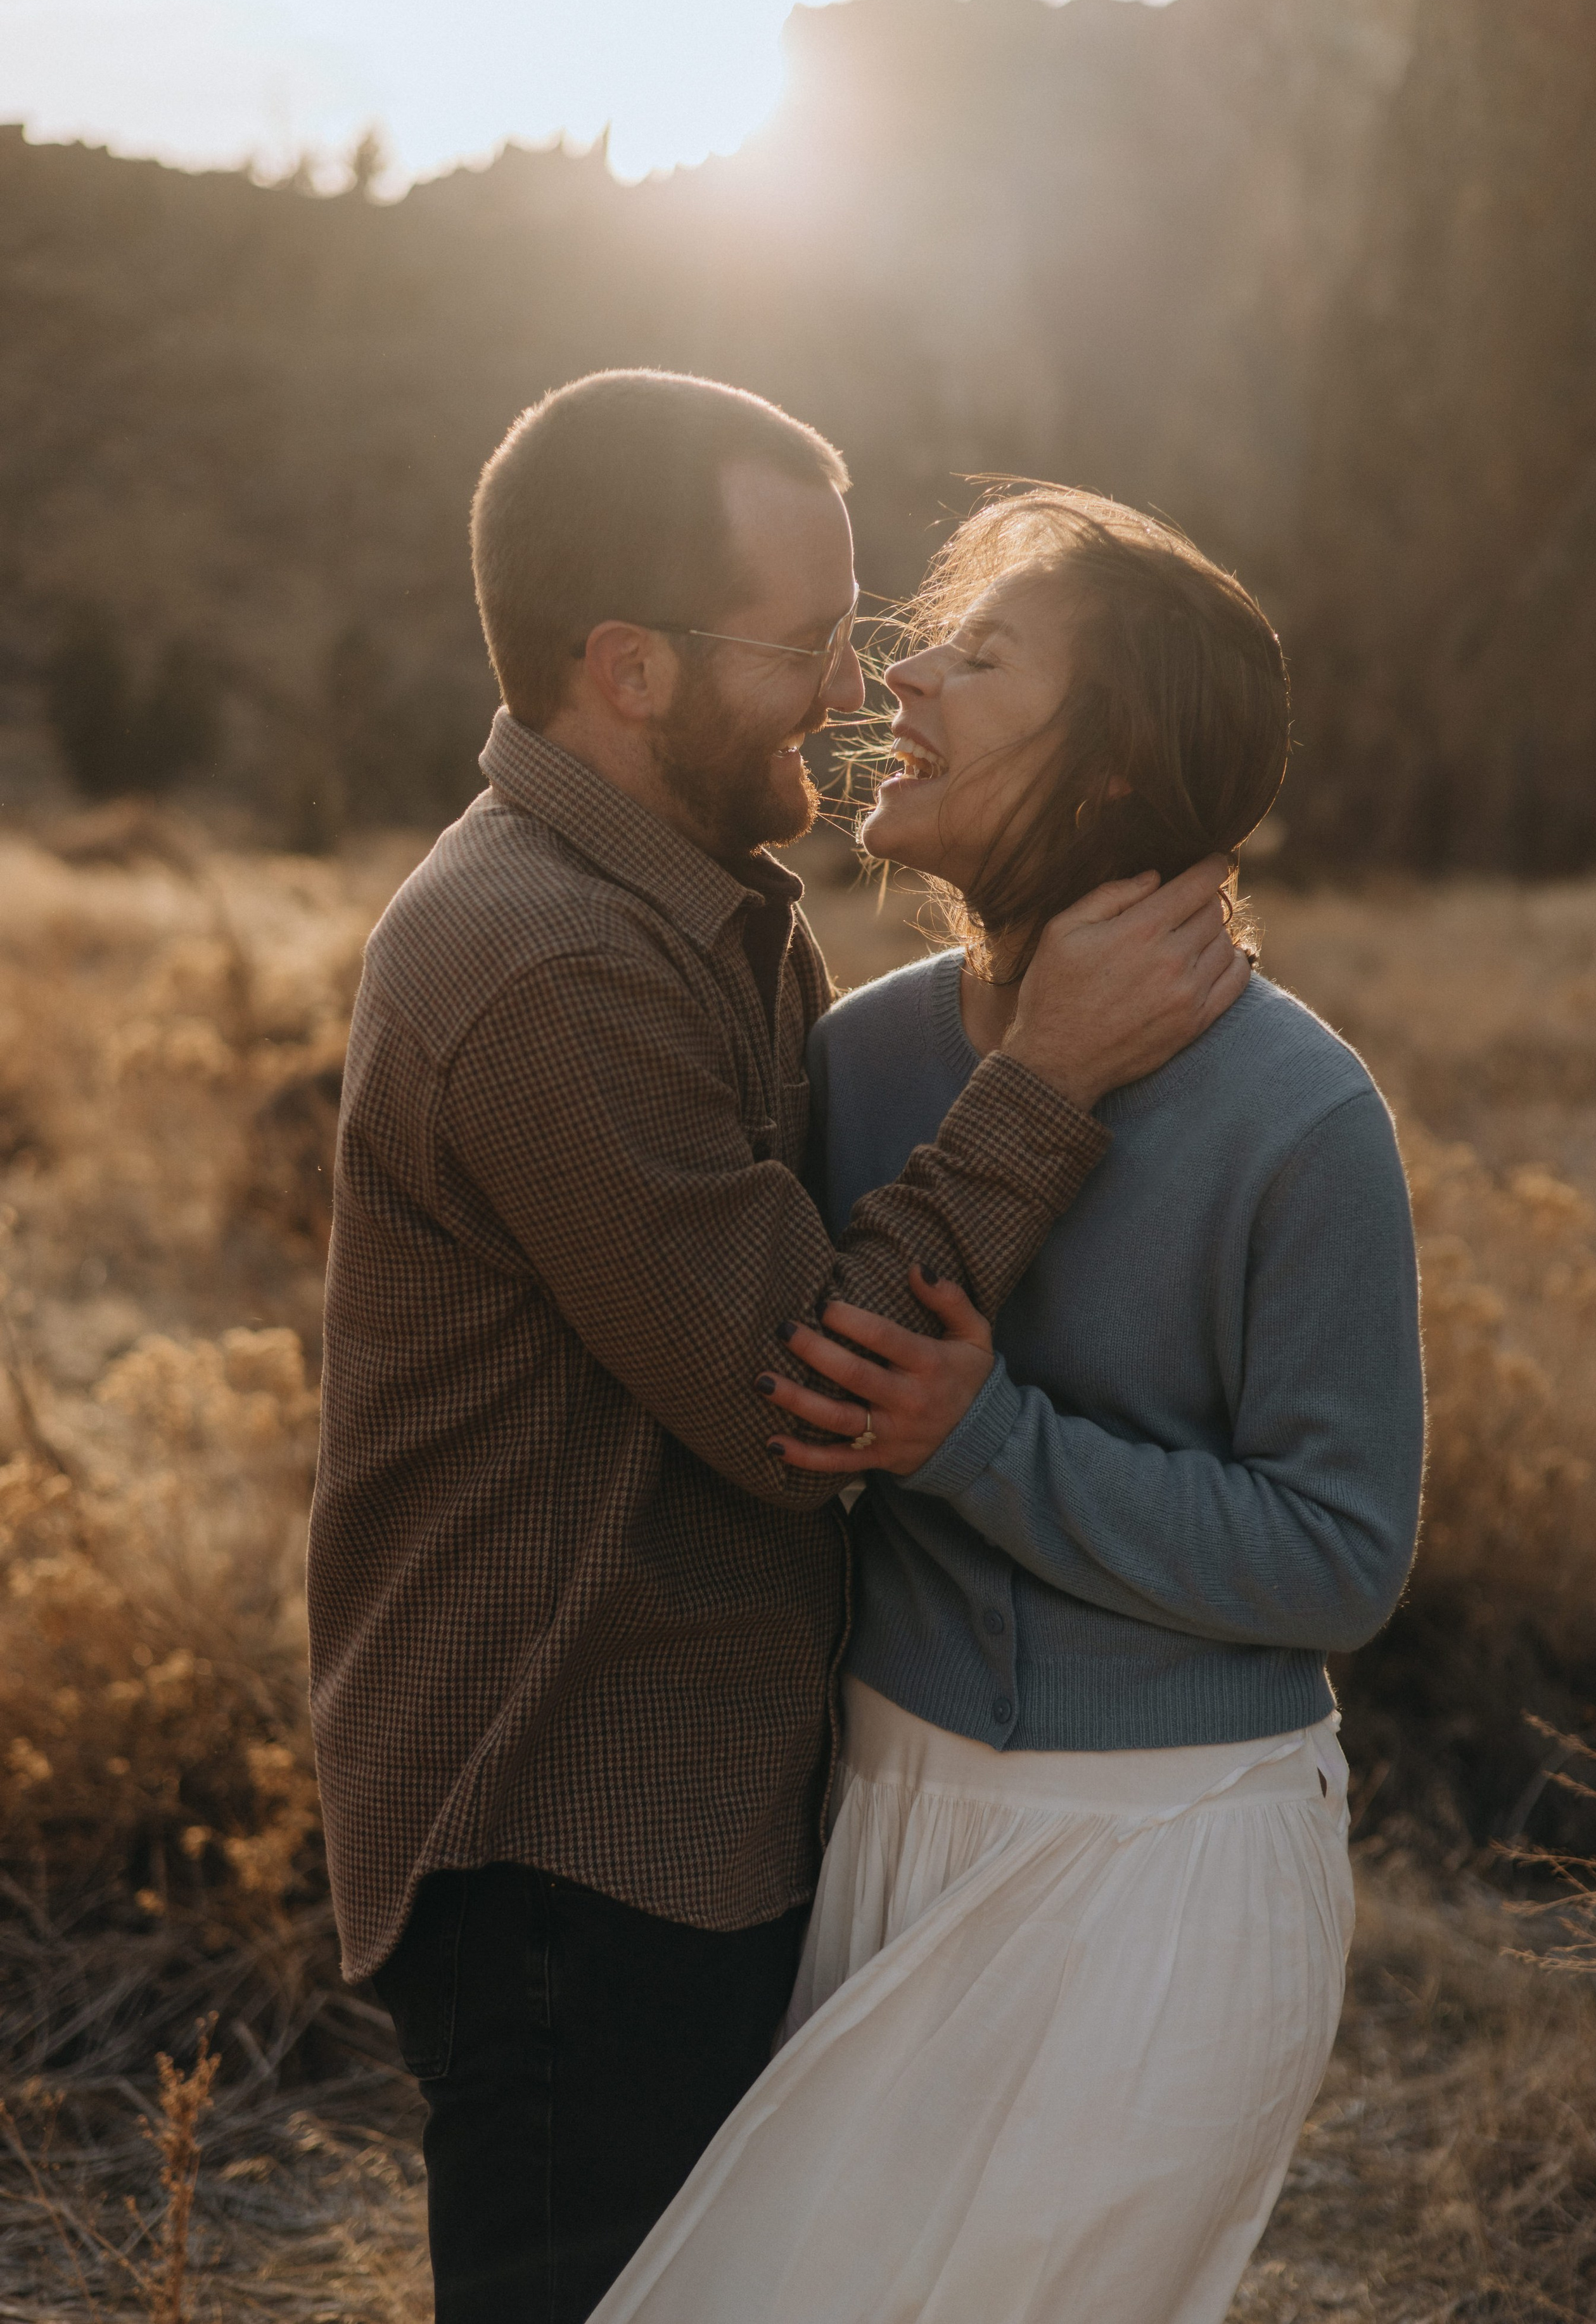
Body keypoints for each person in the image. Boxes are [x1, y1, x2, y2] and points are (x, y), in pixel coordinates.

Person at [306, 381, 1251, 2324]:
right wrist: (1053, 1070)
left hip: (677, 1827)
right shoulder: (547, 960)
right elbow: (793, 1407)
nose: (853, 682)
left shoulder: (690, 915)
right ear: (628, 671)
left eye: (865, 626)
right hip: (573, 1837)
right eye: (806, 637)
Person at [584, 487, 1425, 2324]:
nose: (905, 671)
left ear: (1118, 770)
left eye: (982, 653)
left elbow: (1342, 1558)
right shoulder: (860, 1055)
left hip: (1169, 1864)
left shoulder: (1302, 1115)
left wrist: (984, 1444)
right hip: (882, 1824)